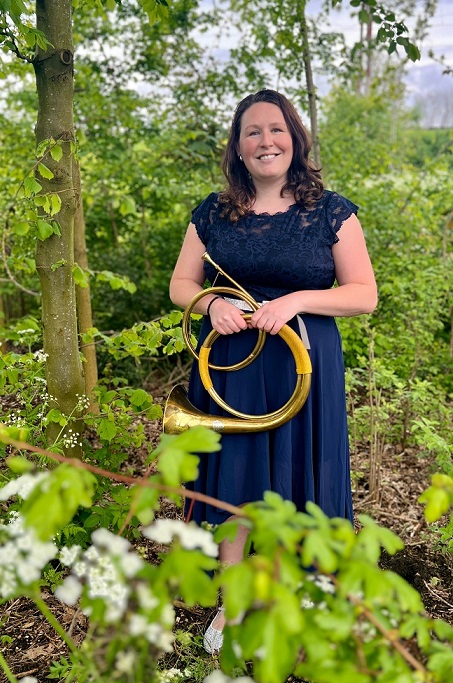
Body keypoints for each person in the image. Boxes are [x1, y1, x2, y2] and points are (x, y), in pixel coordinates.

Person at [169, 89, 377, 653]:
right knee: (237, 475)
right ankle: (233, 602)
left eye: (277, 130)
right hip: (233, 362)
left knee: (299, 468)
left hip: (305, 362)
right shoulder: (213, 211)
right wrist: (212, 304)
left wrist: (297, 300)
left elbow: (363, 295)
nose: (266, 141)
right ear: (237, 147)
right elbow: (181, 284)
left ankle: (295, 584)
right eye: (253, 132)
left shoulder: (331, 210)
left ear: (295, 138)